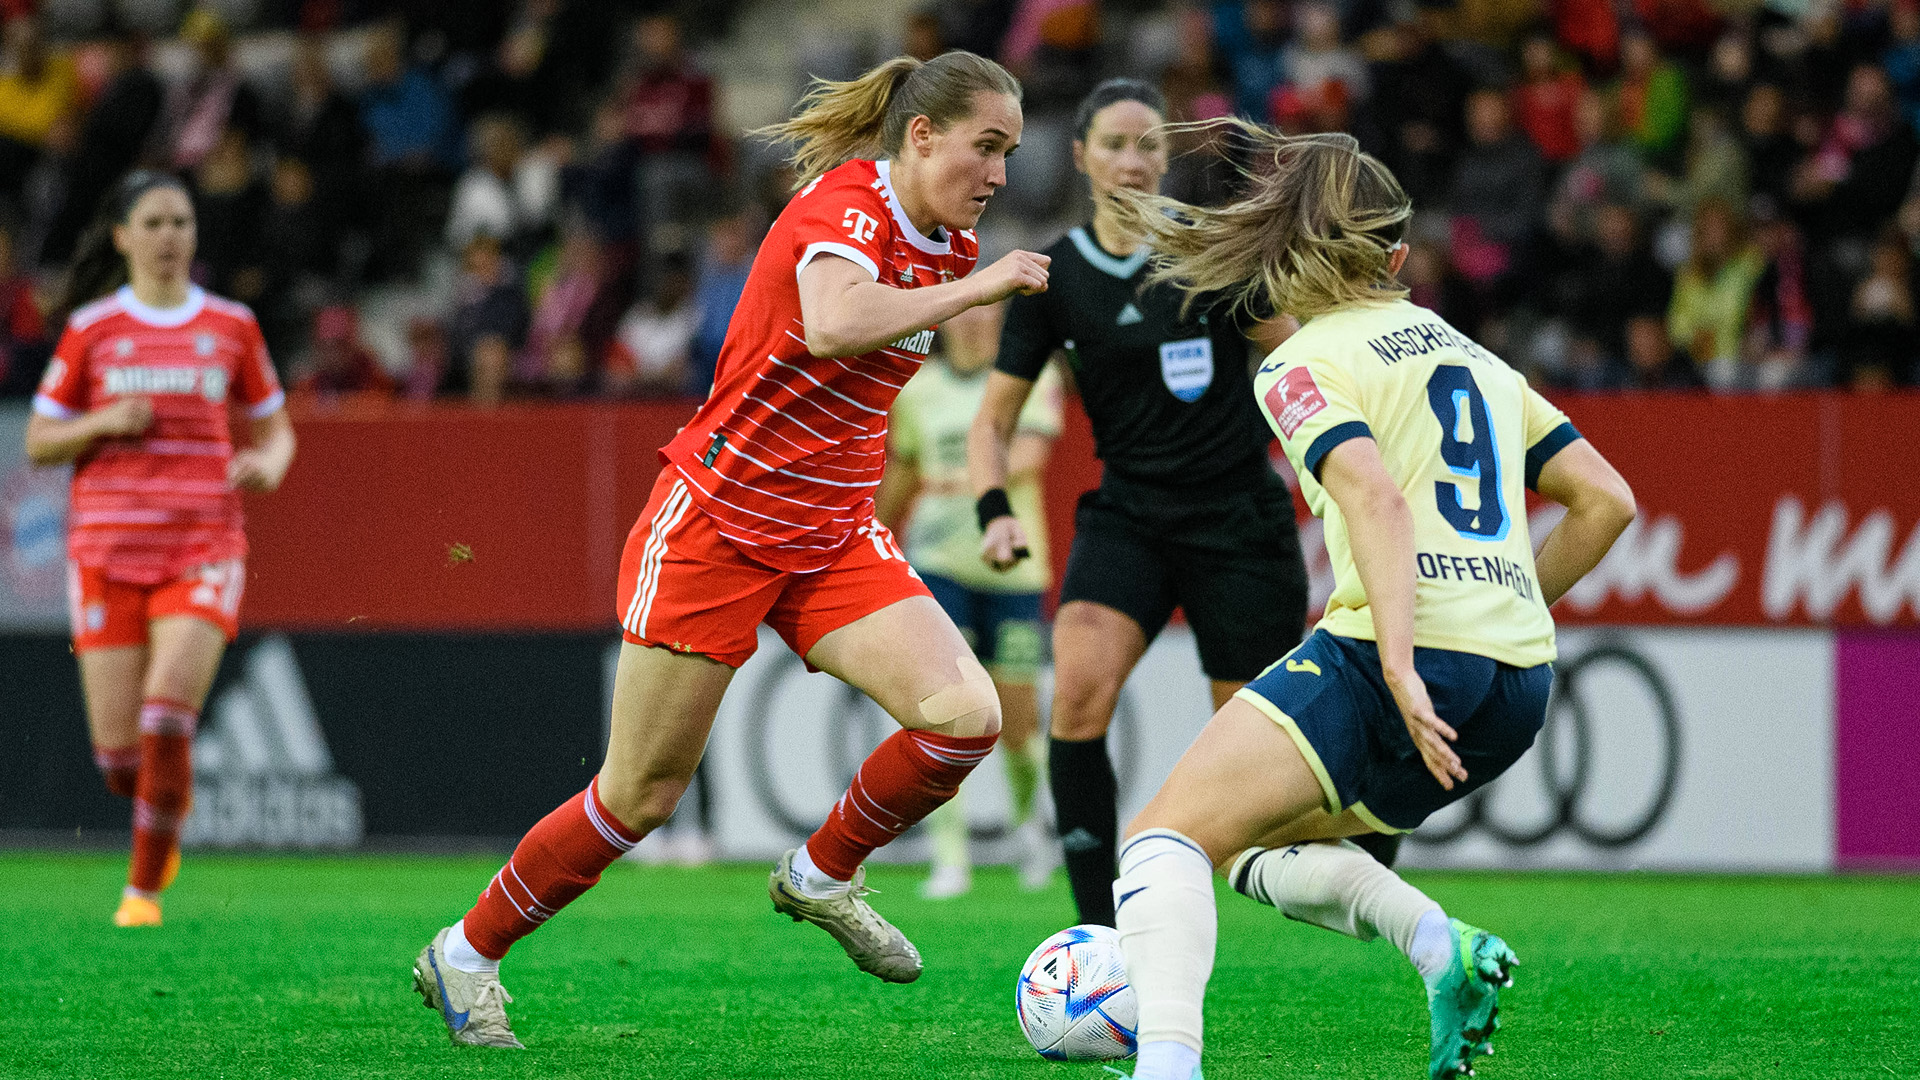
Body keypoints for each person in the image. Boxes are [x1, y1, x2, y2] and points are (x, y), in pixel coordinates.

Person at [410, 50, 1052, 1049]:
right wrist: (978, 291)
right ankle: (466, 951)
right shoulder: (848, 207)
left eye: (1009, 152)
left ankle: (822, 873)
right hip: (721, 524)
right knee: (642, 797)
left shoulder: (947, 236)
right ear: (922, 136)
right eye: (988, 146)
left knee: (963, 720)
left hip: (831, 533)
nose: (1002, 173)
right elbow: (836, 321)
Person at [1098, 126, 1635, 1080]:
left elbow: (1374, 496)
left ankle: (1165, 1066)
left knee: (1159, 838)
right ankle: (1442, 949)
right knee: (1249, 848)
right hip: (1516, 686)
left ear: (1286, 259)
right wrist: (1510, 612)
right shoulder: (1481, 361)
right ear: (1396, 257)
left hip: (1400, 663)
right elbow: (1607, 501)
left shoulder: (1299, 363)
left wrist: (1397, 658)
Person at [968, 78, 1315, 931]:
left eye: (1149, 144)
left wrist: (1343, 463)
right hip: (1129, 515)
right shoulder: (1055, 277)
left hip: (1238, 520)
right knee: (1077, 694)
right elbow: (993, 421)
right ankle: (1098, 936)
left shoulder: (1216, 251)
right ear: (1080, 156)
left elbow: (1304, 361)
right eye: (1116, 143)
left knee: (1258, 763)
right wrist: (994, 509)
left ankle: (1369, 852)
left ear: (1166, 158)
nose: (1133, 159)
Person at [23, 170, 296, 928]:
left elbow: (275, 429)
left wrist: (268, 466)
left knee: (168, 713)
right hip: (107, 552)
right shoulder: (93, 329)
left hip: (203, 544)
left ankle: (140, 892)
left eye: (181, 221)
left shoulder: (232, 325)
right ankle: (163, 803)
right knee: (120, 763)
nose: (169, 236)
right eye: (153, 222)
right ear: (122, 237)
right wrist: (103, 420)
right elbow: (39, 438)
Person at [877, 300, 1062, 899]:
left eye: (988, 311)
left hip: (1011, 566)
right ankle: (949, 858)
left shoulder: (1028, 375)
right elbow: (902, 471)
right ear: (946, 317)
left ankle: (1030, 831)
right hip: (935, 564)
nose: (976, 321)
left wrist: (956, 478)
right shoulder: (917, 390)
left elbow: (1030, 457)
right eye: (966, 310)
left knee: (1017, 720)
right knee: (944, 712)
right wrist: (862, 535)